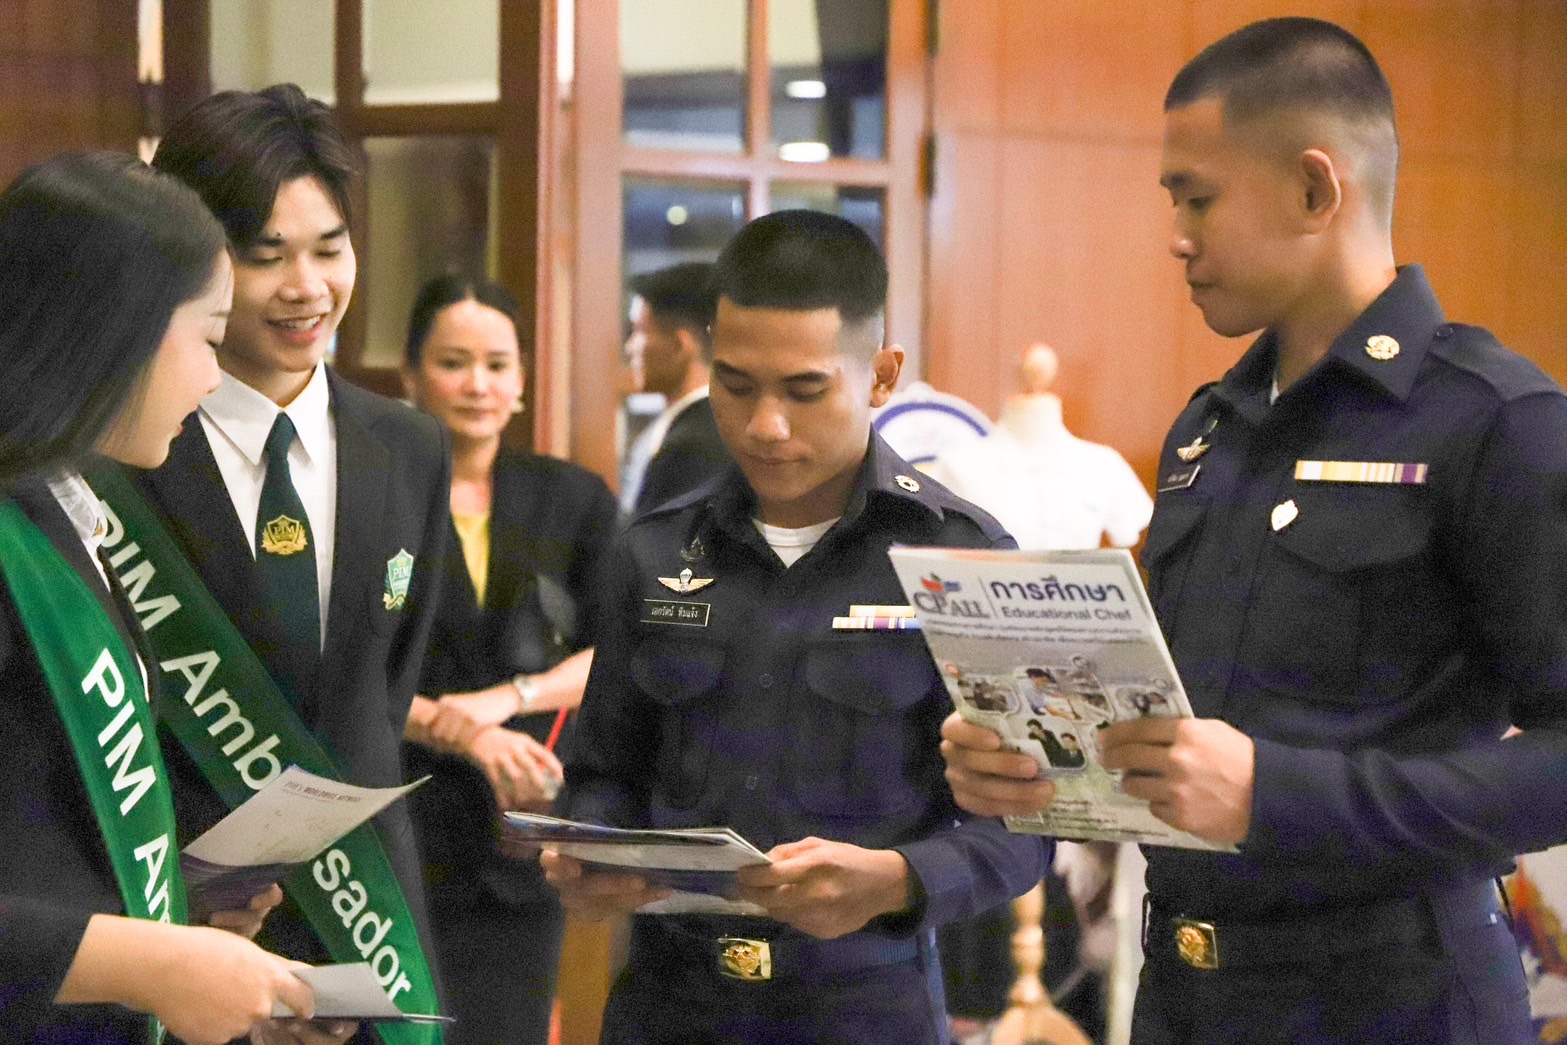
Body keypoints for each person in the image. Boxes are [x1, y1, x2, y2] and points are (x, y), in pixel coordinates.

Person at [939, 17, 1567, 1044]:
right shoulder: (1208, 430)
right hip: (1187, 992)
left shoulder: (1493, 420)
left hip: (1393, 1001)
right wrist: (1034, 761)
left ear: (1316, 190)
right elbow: (1178, 729)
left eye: (1197, 198)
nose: (1176, 235)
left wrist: (1278, 792)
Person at [546, 209, 1049, 1045]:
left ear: (880, 375)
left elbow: (1027, 828)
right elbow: (604, 770)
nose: (764, 424)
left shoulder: (960, 557)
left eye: (804, 390)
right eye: (736, 385)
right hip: (668, 1005)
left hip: (862, 1006)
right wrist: (589, 852)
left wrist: (897, 878)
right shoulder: (655, 550)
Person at [101, 84, 449, 1028]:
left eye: (329, 249)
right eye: (266, 257)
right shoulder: (118, 457)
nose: (308, 288)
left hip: (368, 926)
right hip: (177, 945)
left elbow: (381, 690)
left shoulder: (409, 446)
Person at [0, 152, 350, 1045]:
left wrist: (176, 919)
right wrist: (148, 962)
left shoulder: (61, 509)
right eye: (208, 337)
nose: (212, 378)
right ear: (113, 332)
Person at [399, 274, 617, 1045]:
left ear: (522, 380)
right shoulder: (370, 495)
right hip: (397, 828)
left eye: (497, 364)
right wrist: (467, 732)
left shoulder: (574, 499)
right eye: (453, 362)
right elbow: (342, 666)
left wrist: (509, 698)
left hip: (519, 836)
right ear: (411, 375)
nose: (478, 384)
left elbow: (618, 650)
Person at [618, 261, 733, 519]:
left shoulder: (691, 447)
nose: (630, 347)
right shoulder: (718, 427)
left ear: (681, 346)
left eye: (640, 331)